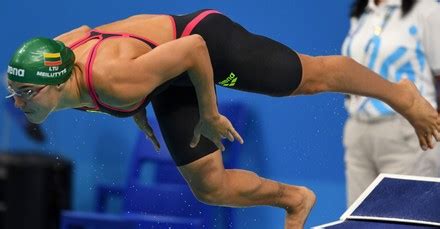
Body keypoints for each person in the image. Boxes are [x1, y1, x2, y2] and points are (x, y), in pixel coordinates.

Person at [5, 9, 440, 228]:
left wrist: (209, 114)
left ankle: (400, 95)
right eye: (14, 93)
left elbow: (193, 48)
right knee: (209, 186)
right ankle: (295, 198)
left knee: (311, 77)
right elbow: (85, 33)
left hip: (200, 39)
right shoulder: (58, 59)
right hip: (163, 73)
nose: (19, 103)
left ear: (58, 81)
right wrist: (135, 106)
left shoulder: (114, 77)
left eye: (26, 94)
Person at [341, 0, 440, 206]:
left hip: (409, 133)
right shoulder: (363, 12)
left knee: (408, 218)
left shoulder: (428, 10)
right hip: (358, 132)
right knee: (359, 222)